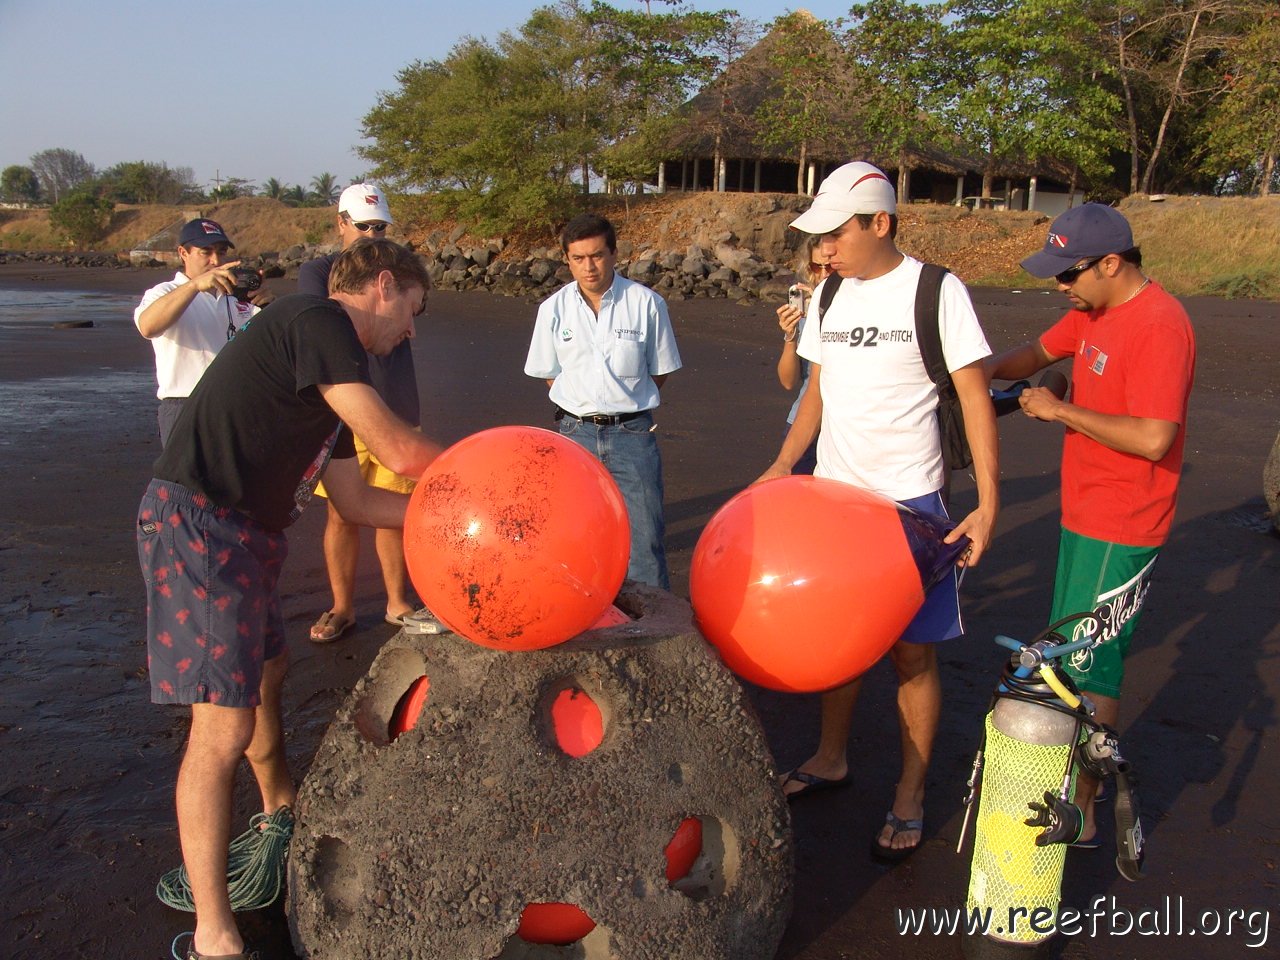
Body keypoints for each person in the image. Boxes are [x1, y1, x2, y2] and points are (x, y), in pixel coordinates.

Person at [137, 238, 442, 960]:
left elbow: (360, 498)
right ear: (386, 287)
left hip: (246, 535)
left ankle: (281, 814)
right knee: (220, 730)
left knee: (268, 673)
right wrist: (491, 482)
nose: (412, 330)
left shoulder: (332, 373)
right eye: (414, 311)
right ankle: (216, 938)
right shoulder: (317, 319)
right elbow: (399, 453)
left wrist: (450, 520)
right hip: (201, 521)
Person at [756, 161, 999, 860]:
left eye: (835, 235)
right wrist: (781, 465)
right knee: (839, 643)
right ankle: (832, 756)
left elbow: (976, 401)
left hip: (911, 508)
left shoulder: (936, 291)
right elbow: (816, 395)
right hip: (835, 501)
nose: (824, 249)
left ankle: (911, 794)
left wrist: (987, 504)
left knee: (910, 656)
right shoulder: (830, 297)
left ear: (880, 222)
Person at [985, 203, 1195, 847]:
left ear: (1111, 263)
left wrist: (1058, 411)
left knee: (1091, 665)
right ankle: (1073, 788)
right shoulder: (1092, 310)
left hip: (1125, 519)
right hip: (1086, 512)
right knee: (1066, 653)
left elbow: (1156, 438)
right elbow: (1035, 353)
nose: (1061, 287)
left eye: (1068, 274)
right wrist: (969, 368)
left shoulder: (1160, 325)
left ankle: (1085, 808)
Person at [299, 184, 438, 642]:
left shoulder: (398, 272)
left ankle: (397, 602)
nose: (373, 234)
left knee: (391, 508)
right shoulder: (321, 276)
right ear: (341, 223)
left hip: (396, 401)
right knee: (343, 510)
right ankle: (342, 606)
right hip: (342, 408)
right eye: (365, 226)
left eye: (381, 227)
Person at [524, 213, 682, 589]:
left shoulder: (647, 304)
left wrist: (621, 398)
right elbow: (549, 373)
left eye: (596, 255)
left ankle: (655, 635)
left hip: (633, 433)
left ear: (613, 254)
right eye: (578, 258)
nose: (588, 266)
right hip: (574, 433)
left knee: (644, 540)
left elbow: (659, 370)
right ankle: (585, 620)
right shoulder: (552, 309)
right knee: (575, 537)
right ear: (567, 259)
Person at [134, 218, 272, 446]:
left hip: (236, 405)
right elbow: (148, 326)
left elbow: (267, 351)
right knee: (185, 481)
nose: (215, 260)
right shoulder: (165, 291)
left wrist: (268, 307)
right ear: (183, 253)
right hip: (185, 404)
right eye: (205, 252)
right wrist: (195, 285)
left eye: (221, 251)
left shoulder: (237, 297)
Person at [774, 236, 832, 475]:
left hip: (844, 426)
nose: (824, 274)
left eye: (829, 266)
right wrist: (790, 335)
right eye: (817, 267)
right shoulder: (805, 312)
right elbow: (788, 381)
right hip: (803, 420)